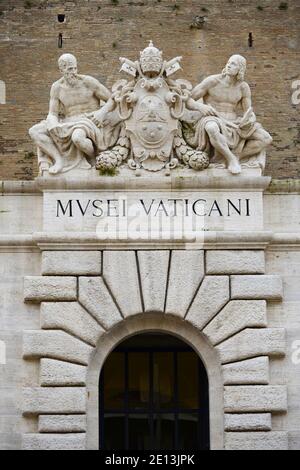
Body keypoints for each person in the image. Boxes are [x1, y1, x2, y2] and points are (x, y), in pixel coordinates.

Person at [29, 53, 120, 174]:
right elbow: (52, 113)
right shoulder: (57, 87)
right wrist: (53, 124)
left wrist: (101, 112)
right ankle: (59, 159)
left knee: (77, 138)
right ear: (61, 70)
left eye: (75, 68)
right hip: (68, 122)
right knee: (35, 131)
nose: (74, 72)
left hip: (89, 121)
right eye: (69, 69)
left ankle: (93, 158)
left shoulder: (88, 82)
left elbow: (112, 99)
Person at [184, 55, 273, 174]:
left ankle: (237, 156)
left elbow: (249, 112)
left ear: (240, 69)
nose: (229, 65)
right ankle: (230, 159)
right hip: (212, 118)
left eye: (233, 64)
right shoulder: (212, 81)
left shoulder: (243, 87)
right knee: (211, 128)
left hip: (234, 122)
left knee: (266, 138)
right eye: (229, 62)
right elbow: (188, 100)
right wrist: (200, 106)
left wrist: (249, 120)